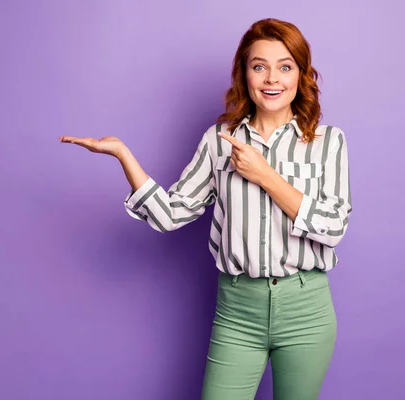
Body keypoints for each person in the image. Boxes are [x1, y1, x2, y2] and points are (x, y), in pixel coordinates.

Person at [61, 18, 352, 400]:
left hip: (307, 310)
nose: (272, 78)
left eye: (285, 66)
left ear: (301, 73)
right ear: (244, 73)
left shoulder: (327, 142)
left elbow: (332, 227)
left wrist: (265, 175)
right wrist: (122, 155)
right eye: (259, 66)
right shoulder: (220, 141)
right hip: (237, 312)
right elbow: (169, 215)